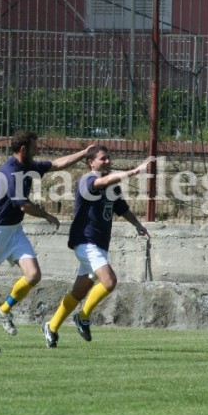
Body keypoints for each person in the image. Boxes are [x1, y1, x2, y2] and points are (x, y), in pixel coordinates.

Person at [0, 129, 92, 343]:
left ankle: (4, 310)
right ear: (24, 149)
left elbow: (57, 165)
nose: (38, 149)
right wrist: (46, 214)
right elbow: (23, 205)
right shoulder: (10, 171)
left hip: (14, 231)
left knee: (33, 275)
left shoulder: (28, 165)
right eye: (35, 146)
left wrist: (84, 153)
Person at [42, 146, 150, 348]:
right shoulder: (87, 180)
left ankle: (52, 326)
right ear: (91, 162)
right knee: (109, 281)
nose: (108, 161)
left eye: (109, 158)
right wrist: (134, 172)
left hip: (100, 244)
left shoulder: (112, 187)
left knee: (78, 292)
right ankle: (83, 317)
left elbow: (122, 208)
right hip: (85, 241)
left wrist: (137, 225)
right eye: (103, 159)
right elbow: (101, 182)